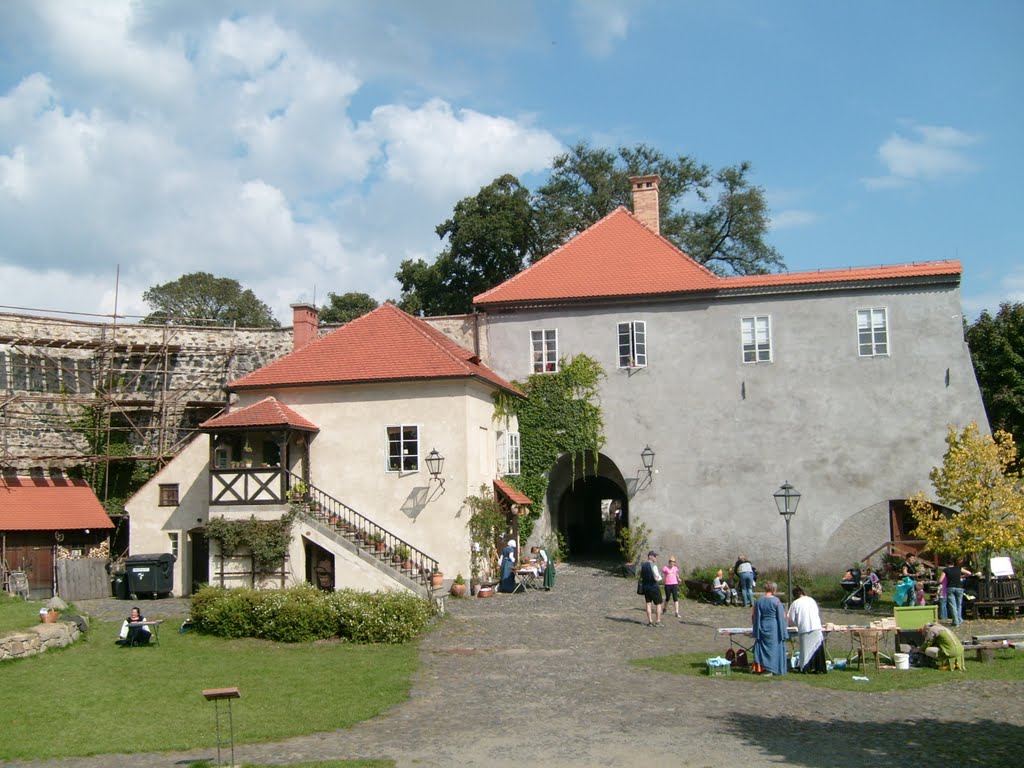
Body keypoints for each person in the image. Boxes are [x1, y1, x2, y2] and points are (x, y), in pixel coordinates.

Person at [751, 581, 789, 676]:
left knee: (764, 647)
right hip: (773, 626)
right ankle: (771, 668)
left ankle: (764, 666)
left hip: (762, 625)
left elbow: (755, 616)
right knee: (773, 648)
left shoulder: (759, 601)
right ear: (773, 589)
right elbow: (781, 617)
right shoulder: (776, 601)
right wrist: (783, 632)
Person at [787, 587, 827, 673]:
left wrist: (794, 624)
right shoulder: (811, 600)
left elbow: (790, 618)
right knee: (817, 648)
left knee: (805, 650)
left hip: (805, 628)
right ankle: (819, 667)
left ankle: (805, 667)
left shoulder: (795, 603)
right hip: (816, 626)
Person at [942, 560, 972, 627]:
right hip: (959, 587)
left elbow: (940, 580)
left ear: (947, 564)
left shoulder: (945, 570)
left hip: (950, 587)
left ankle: (955, 621)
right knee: (959, 605)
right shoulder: (959, 568)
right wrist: (962, 576)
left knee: (953, 605)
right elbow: (969, 573)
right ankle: (959, 619)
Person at [638, 550, 664, 626]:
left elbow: (641, 576)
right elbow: (657, 578)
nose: (655, 557)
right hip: (654, 587)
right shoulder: (654, 566)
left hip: (646, 587)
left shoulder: (643, 565)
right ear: (650, 556)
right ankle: (658, 621)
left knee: (648, 604)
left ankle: (650, 621)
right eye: (654, 556)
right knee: (658, 604)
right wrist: (659, 575)